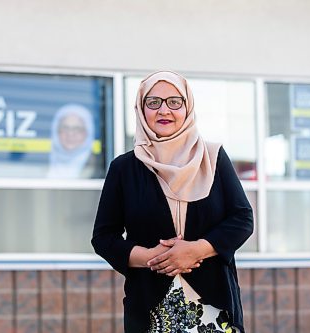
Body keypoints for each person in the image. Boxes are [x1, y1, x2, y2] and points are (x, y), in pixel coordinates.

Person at [92, 71, 253, 332]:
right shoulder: (124, 168)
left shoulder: (213, 158)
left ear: (187, 107)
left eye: (174, 102)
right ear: (141, 109)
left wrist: (198, 249)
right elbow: (103, 237)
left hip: (214, 305)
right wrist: (149, 258)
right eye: (153, 102)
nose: (163, 110)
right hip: (150, 308)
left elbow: (242, 219)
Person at [47, 103, 102, 179]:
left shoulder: (101, 166)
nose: (70, 134)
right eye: (65, 128)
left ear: (88, 133)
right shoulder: (40, 162)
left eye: (77, 128)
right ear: (56, 131)